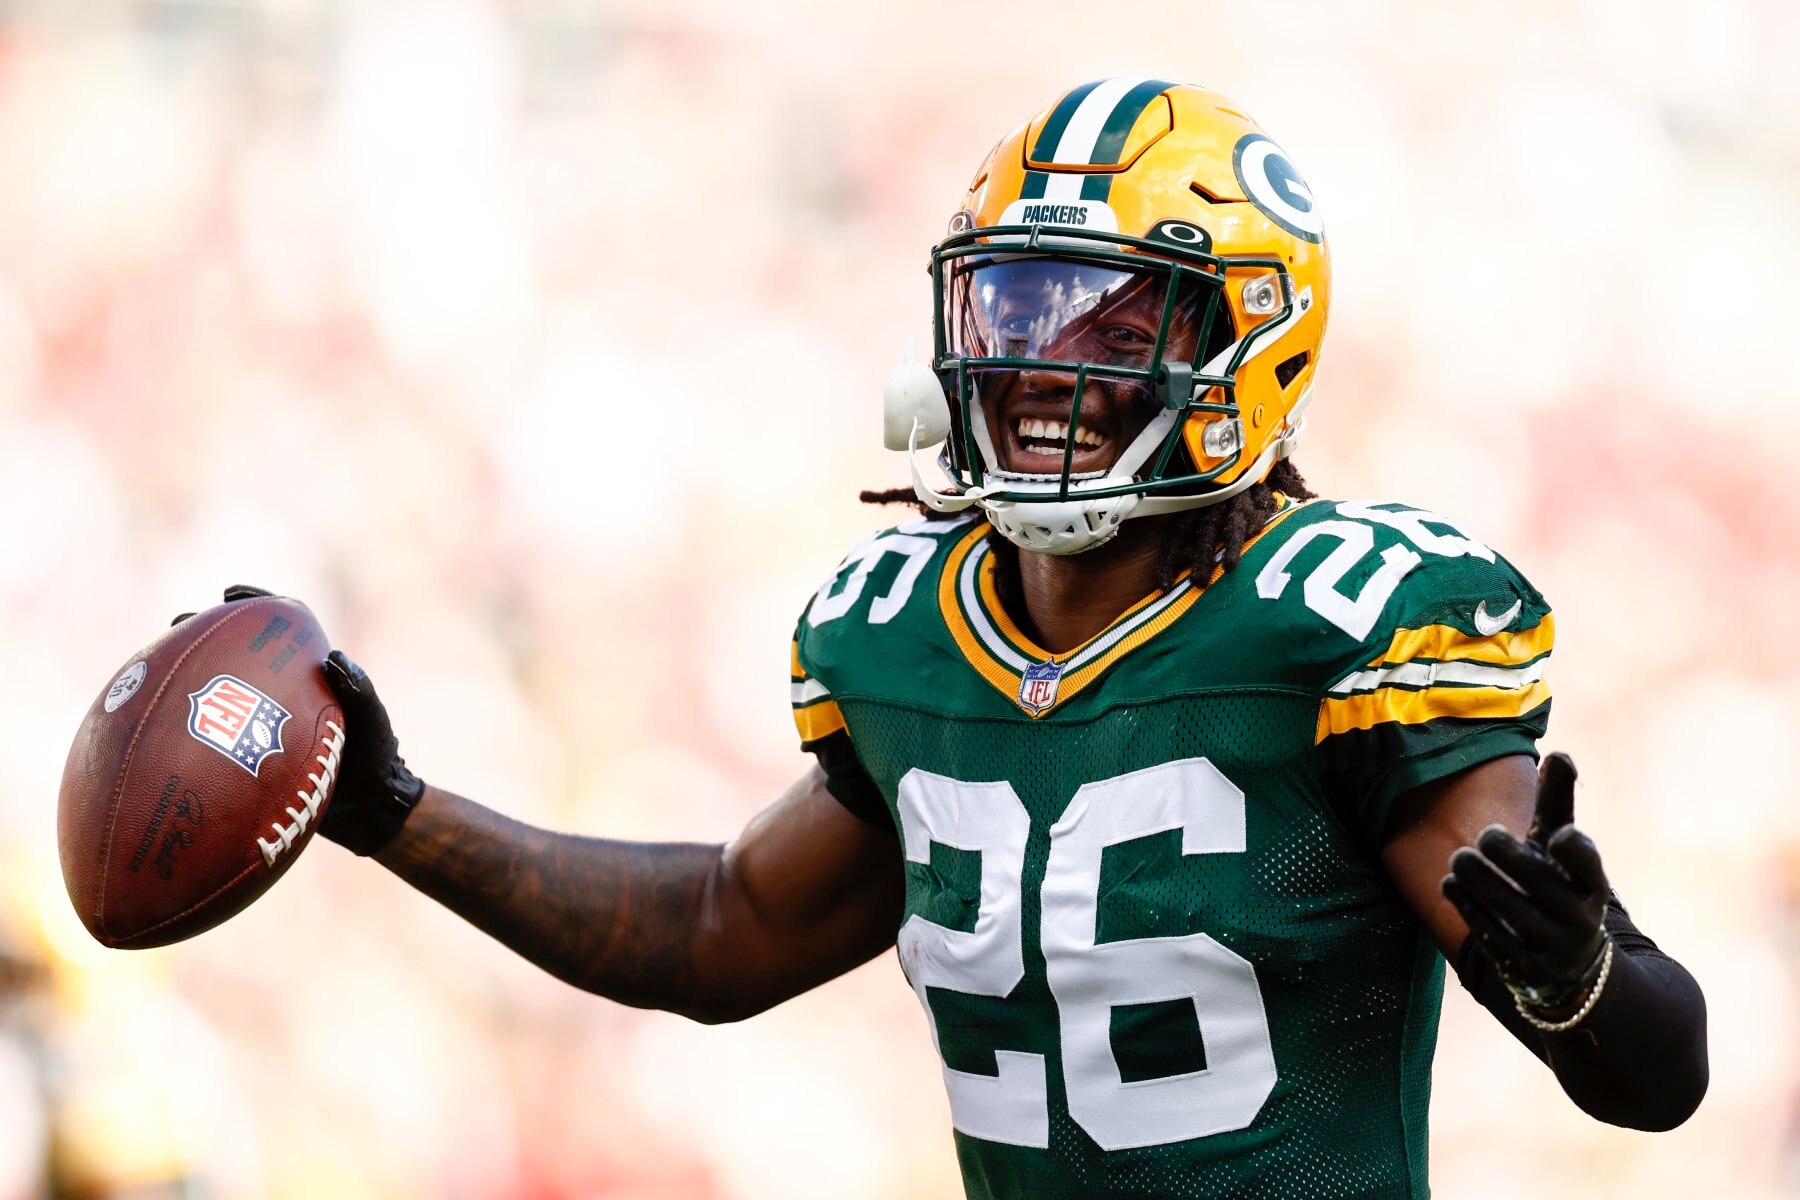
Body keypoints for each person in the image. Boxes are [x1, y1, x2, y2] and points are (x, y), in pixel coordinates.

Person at [277, 81, 1708, 1198]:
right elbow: (719, 931)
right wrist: (400, 818)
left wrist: (1577, 974)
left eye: (1108, 321)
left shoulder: (1343, 629)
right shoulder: (904, 639)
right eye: (1014, 302)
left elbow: (1658, 1074)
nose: (1037, 362)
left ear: (1247, 343)